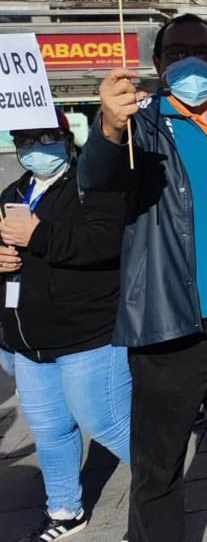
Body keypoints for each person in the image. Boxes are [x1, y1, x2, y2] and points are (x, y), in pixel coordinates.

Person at [77, 13, 207, 542]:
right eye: (176, 54)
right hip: (170, 325)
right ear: (158, 65)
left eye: (204, 53)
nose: (191, 63)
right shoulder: (139, 128)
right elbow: (95, 179)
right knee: (158, 465)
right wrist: (107, 127)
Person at [0, 111, 130, 542]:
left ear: (66, 138)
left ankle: (161, 483)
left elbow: (103, 244)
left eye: (46, 136)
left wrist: (38, 235)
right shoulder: (12, 193)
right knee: (49, 430)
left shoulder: (90, 182)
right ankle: (65, 510)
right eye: (25, 139)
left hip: (87, 335)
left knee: (109, 423)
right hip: (30, 342)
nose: (36, 147)